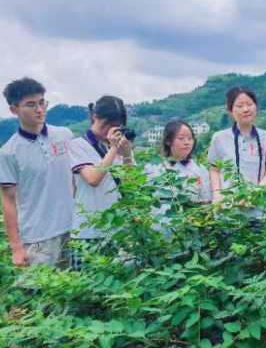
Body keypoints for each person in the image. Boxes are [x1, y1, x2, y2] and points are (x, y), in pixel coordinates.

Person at [0, 78, 74, 269]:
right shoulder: (9, 153)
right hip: (37, 238)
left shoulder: (65, 135)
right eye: (31, 105)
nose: (39, 109)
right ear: (14, 110)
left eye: (42, 103)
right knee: (37, 295)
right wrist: (16, 248)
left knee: (74, 294)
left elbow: (74, 179)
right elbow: (8, 201)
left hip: (72, 230)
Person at [69, 96, 134, 270]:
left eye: (116, 125)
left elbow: (132, 185)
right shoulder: (78, 145)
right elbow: (92, 179)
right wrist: (113, 148)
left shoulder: (117, 147)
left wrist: (127, 153)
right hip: (88, 233)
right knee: (85, 291)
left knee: (116, 290)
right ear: (95, 117)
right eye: (107, 124)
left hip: (118, 232)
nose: (110, 130)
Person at [208, 86, 266, 217]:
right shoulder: (219, 138)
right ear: (230, 111)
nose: (246, 109)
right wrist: (217, 194)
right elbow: (215, 170)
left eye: (249, 104)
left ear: (256, 106)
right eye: (239, 106)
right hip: (226, 208)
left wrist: (254, 193)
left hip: (258, 208)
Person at [145, 120, 211, 235]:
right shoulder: (153, 168)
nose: (187, 142)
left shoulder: (199, 169)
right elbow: (144, 200)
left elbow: (205, 202)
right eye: (181, 138)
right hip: (159, 230)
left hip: (191, 231)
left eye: (190, 138)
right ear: (168, 141)